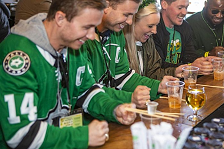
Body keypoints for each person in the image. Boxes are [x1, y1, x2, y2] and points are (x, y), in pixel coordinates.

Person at [0, 0, 136, 148]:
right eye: (87, 27)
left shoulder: (73, 44)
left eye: (94, 27)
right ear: (60, 19)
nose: (91, 36)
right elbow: (21, 135)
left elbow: (87, 90)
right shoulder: (18, 56)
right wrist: (83, 136)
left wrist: (113, 108)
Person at [80, 0, 178, 102]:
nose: (130, 22)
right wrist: (129, 98)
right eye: (126, 14)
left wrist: (158, 87)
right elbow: (86, 92)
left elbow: (123, 77)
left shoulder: (117, 34)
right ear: (107, 5)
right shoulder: (82, 39)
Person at [152, 0, 214, 76]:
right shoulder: (153, 29)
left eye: (186, 7)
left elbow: (190, 56)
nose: (184, 12)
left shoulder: (185, 27)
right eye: (180, 8)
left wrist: (205, 61)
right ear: (164, 4)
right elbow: (159, 66)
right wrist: (190, 67)